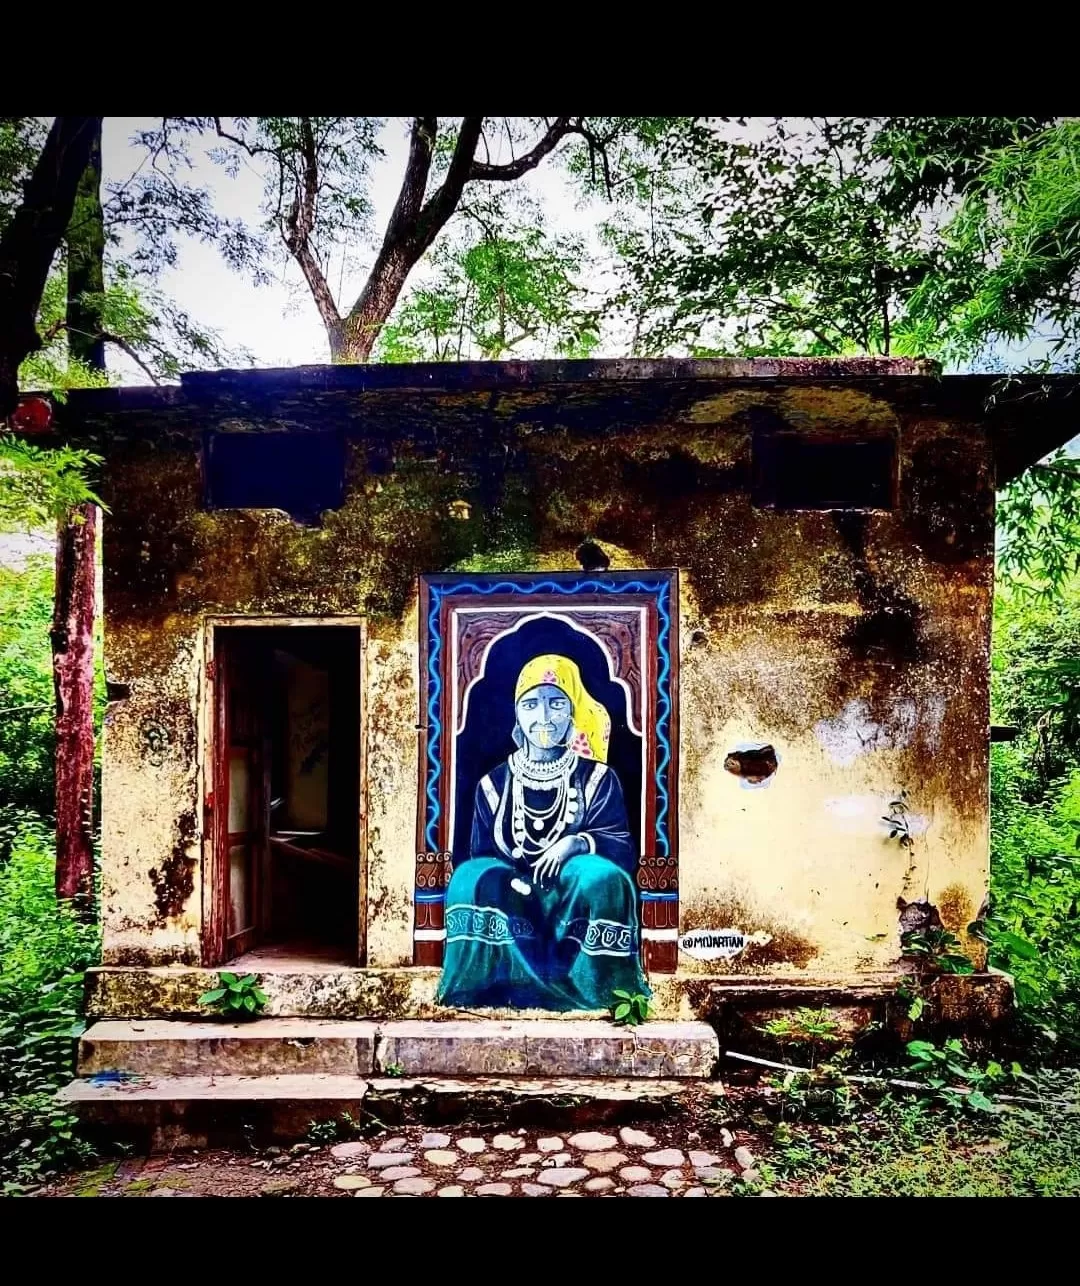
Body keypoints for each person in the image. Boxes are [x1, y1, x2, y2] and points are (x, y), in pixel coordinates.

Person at [437, 653, 651, 1011]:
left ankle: (595, 987)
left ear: (572, 713)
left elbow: (621, 847)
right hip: (513, 894)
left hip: (572, 891)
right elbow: (482, 852)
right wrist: (511, 880)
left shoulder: (598, 778)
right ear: (517, 714)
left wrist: (575, 843)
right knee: (468, 877)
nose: (544, 717)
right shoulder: (492, 784)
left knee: (604, 878)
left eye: (556, 704)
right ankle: (492, 986)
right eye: (532, 704)